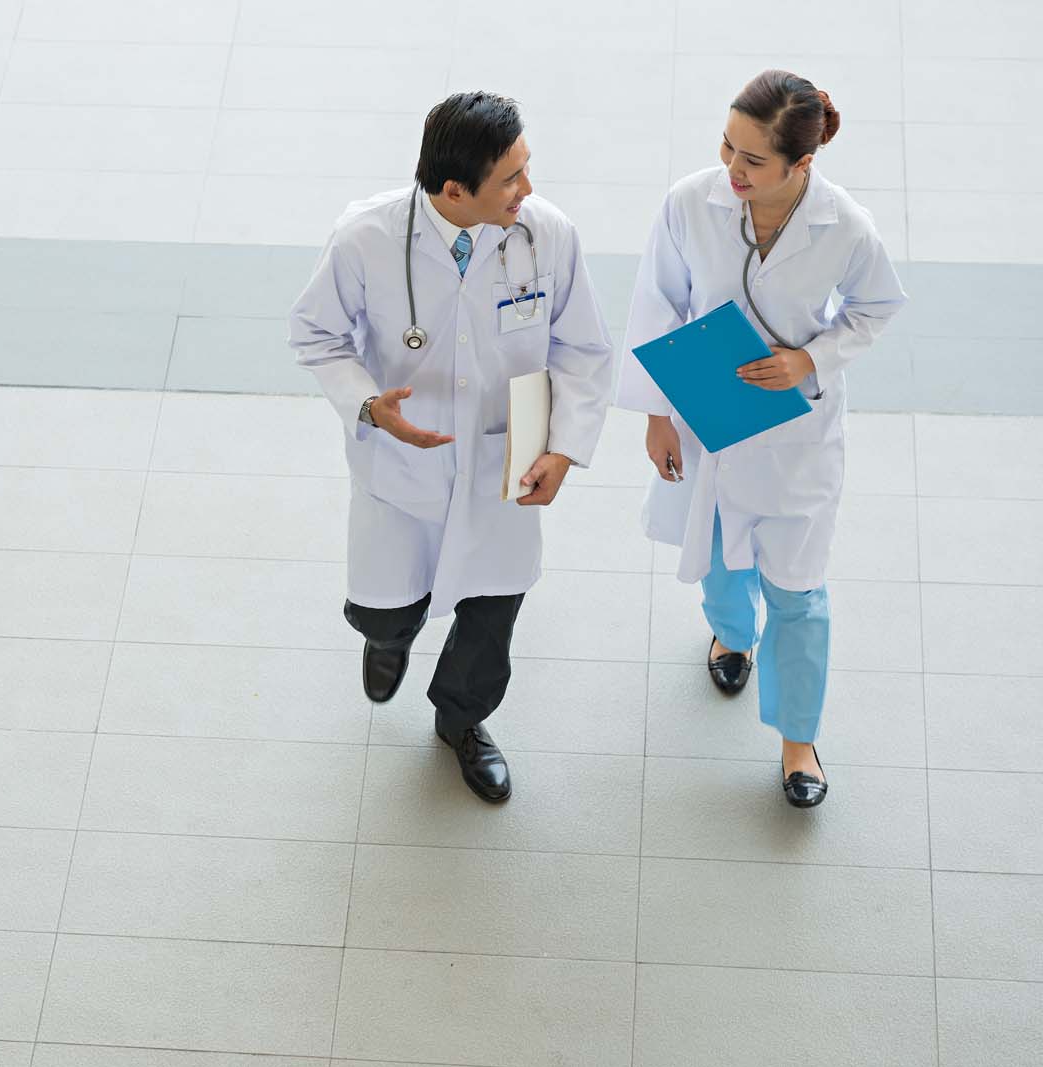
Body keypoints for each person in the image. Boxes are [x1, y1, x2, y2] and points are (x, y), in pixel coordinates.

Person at [289, 91, 614, 802]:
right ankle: (389, 638)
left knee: (493, 609)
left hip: (508, 457)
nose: (528, 190)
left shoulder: (546, 234)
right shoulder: (366, 238)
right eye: (512, 179)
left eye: (527, 170)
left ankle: (462, 724)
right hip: (404, 461)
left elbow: (584, 349)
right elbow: (316, 334)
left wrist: (564, 446)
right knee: (386, 603)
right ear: (454, 190)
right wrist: (370, 405)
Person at [615, 70, 906, 808]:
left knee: (799, 591)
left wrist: (810, 360)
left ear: (801, 165)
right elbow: (657, 303)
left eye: (753, 161)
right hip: (707, 415)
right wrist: (655, 415)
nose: (732, 171)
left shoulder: (844, 227)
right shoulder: (690, 203)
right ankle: (730, 636)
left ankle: (798, 738)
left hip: (797, 431)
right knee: (716, 550)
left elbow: (874, 309)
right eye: (727, 148)